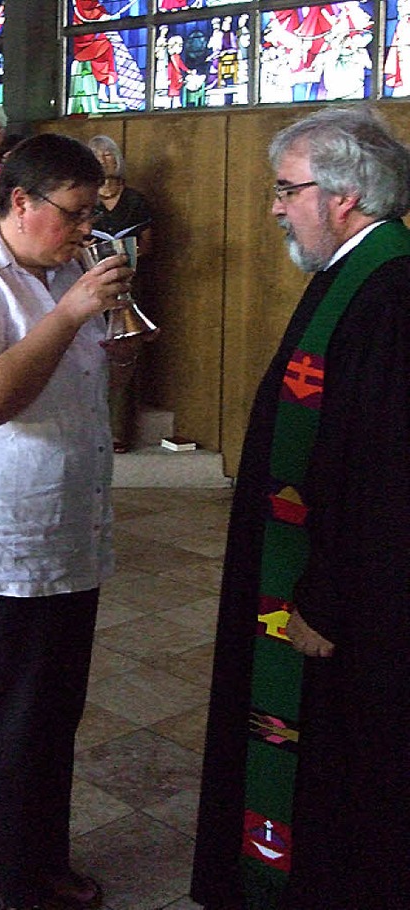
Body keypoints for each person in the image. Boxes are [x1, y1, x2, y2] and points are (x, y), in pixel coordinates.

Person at [191, 107, 410, 910]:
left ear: (345, 195)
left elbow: (387, 476)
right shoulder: (350, 274)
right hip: (316, 577)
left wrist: (324, 599)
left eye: (287, 190)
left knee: (340, 770)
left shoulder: (387, 292)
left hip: (340, 605)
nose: (277, 207)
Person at [0, 133, 137, 910]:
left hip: (69, 531)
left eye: (91, 213)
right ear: (19, 202)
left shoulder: (65, 264)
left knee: (51, 718)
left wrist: (95, 314)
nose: (86, 231)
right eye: (74, 214)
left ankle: (39, 860)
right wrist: (74, 309)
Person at [88, 135, 153, 453]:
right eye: (98, 155)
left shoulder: (135, 200)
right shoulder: (87, 202)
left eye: (110, 154)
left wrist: (128, 251)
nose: (105, 160)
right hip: (92, 282)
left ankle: (119, 430)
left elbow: (149, 244)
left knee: (123, 350)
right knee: (92, 348)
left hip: (128, 281)